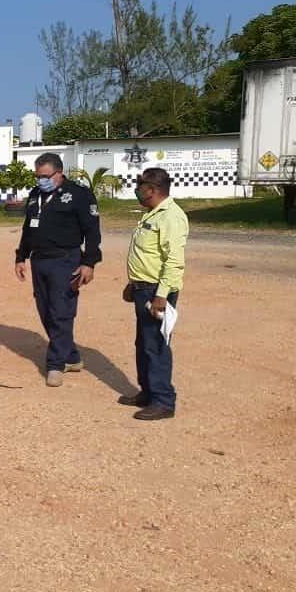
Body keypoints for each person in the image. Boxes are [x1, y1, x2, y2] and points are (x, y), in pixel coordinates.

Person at [14, 152, 102, 387]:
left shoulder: (79, 195)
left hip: (66, 260)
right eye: (37, 176)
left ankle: (55, 364)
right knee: (45, 310)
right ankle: (71, 356)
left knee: (62, 311)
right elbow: (28, 229)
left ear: (59, 173)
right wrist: (21, 256)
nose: (40, 181)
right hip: (40, 261)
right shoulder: (35, 196)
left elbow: (92, 231)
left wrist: (89, 262)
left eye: (45, 176)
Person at [120, 167, 189, 421]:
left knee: (157, 345)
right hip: (143, 288)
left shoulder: (171, 216)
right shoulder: (152, 213)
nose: (137, 189)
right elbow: (146, 255)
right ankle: (147, 392)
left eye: (140, 185)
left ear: (152, 189)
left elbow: (173, 261)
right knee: (143, 343)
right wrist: (133, 284)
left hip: (156, 291)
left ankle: (163, 401)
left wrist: (161, 296)